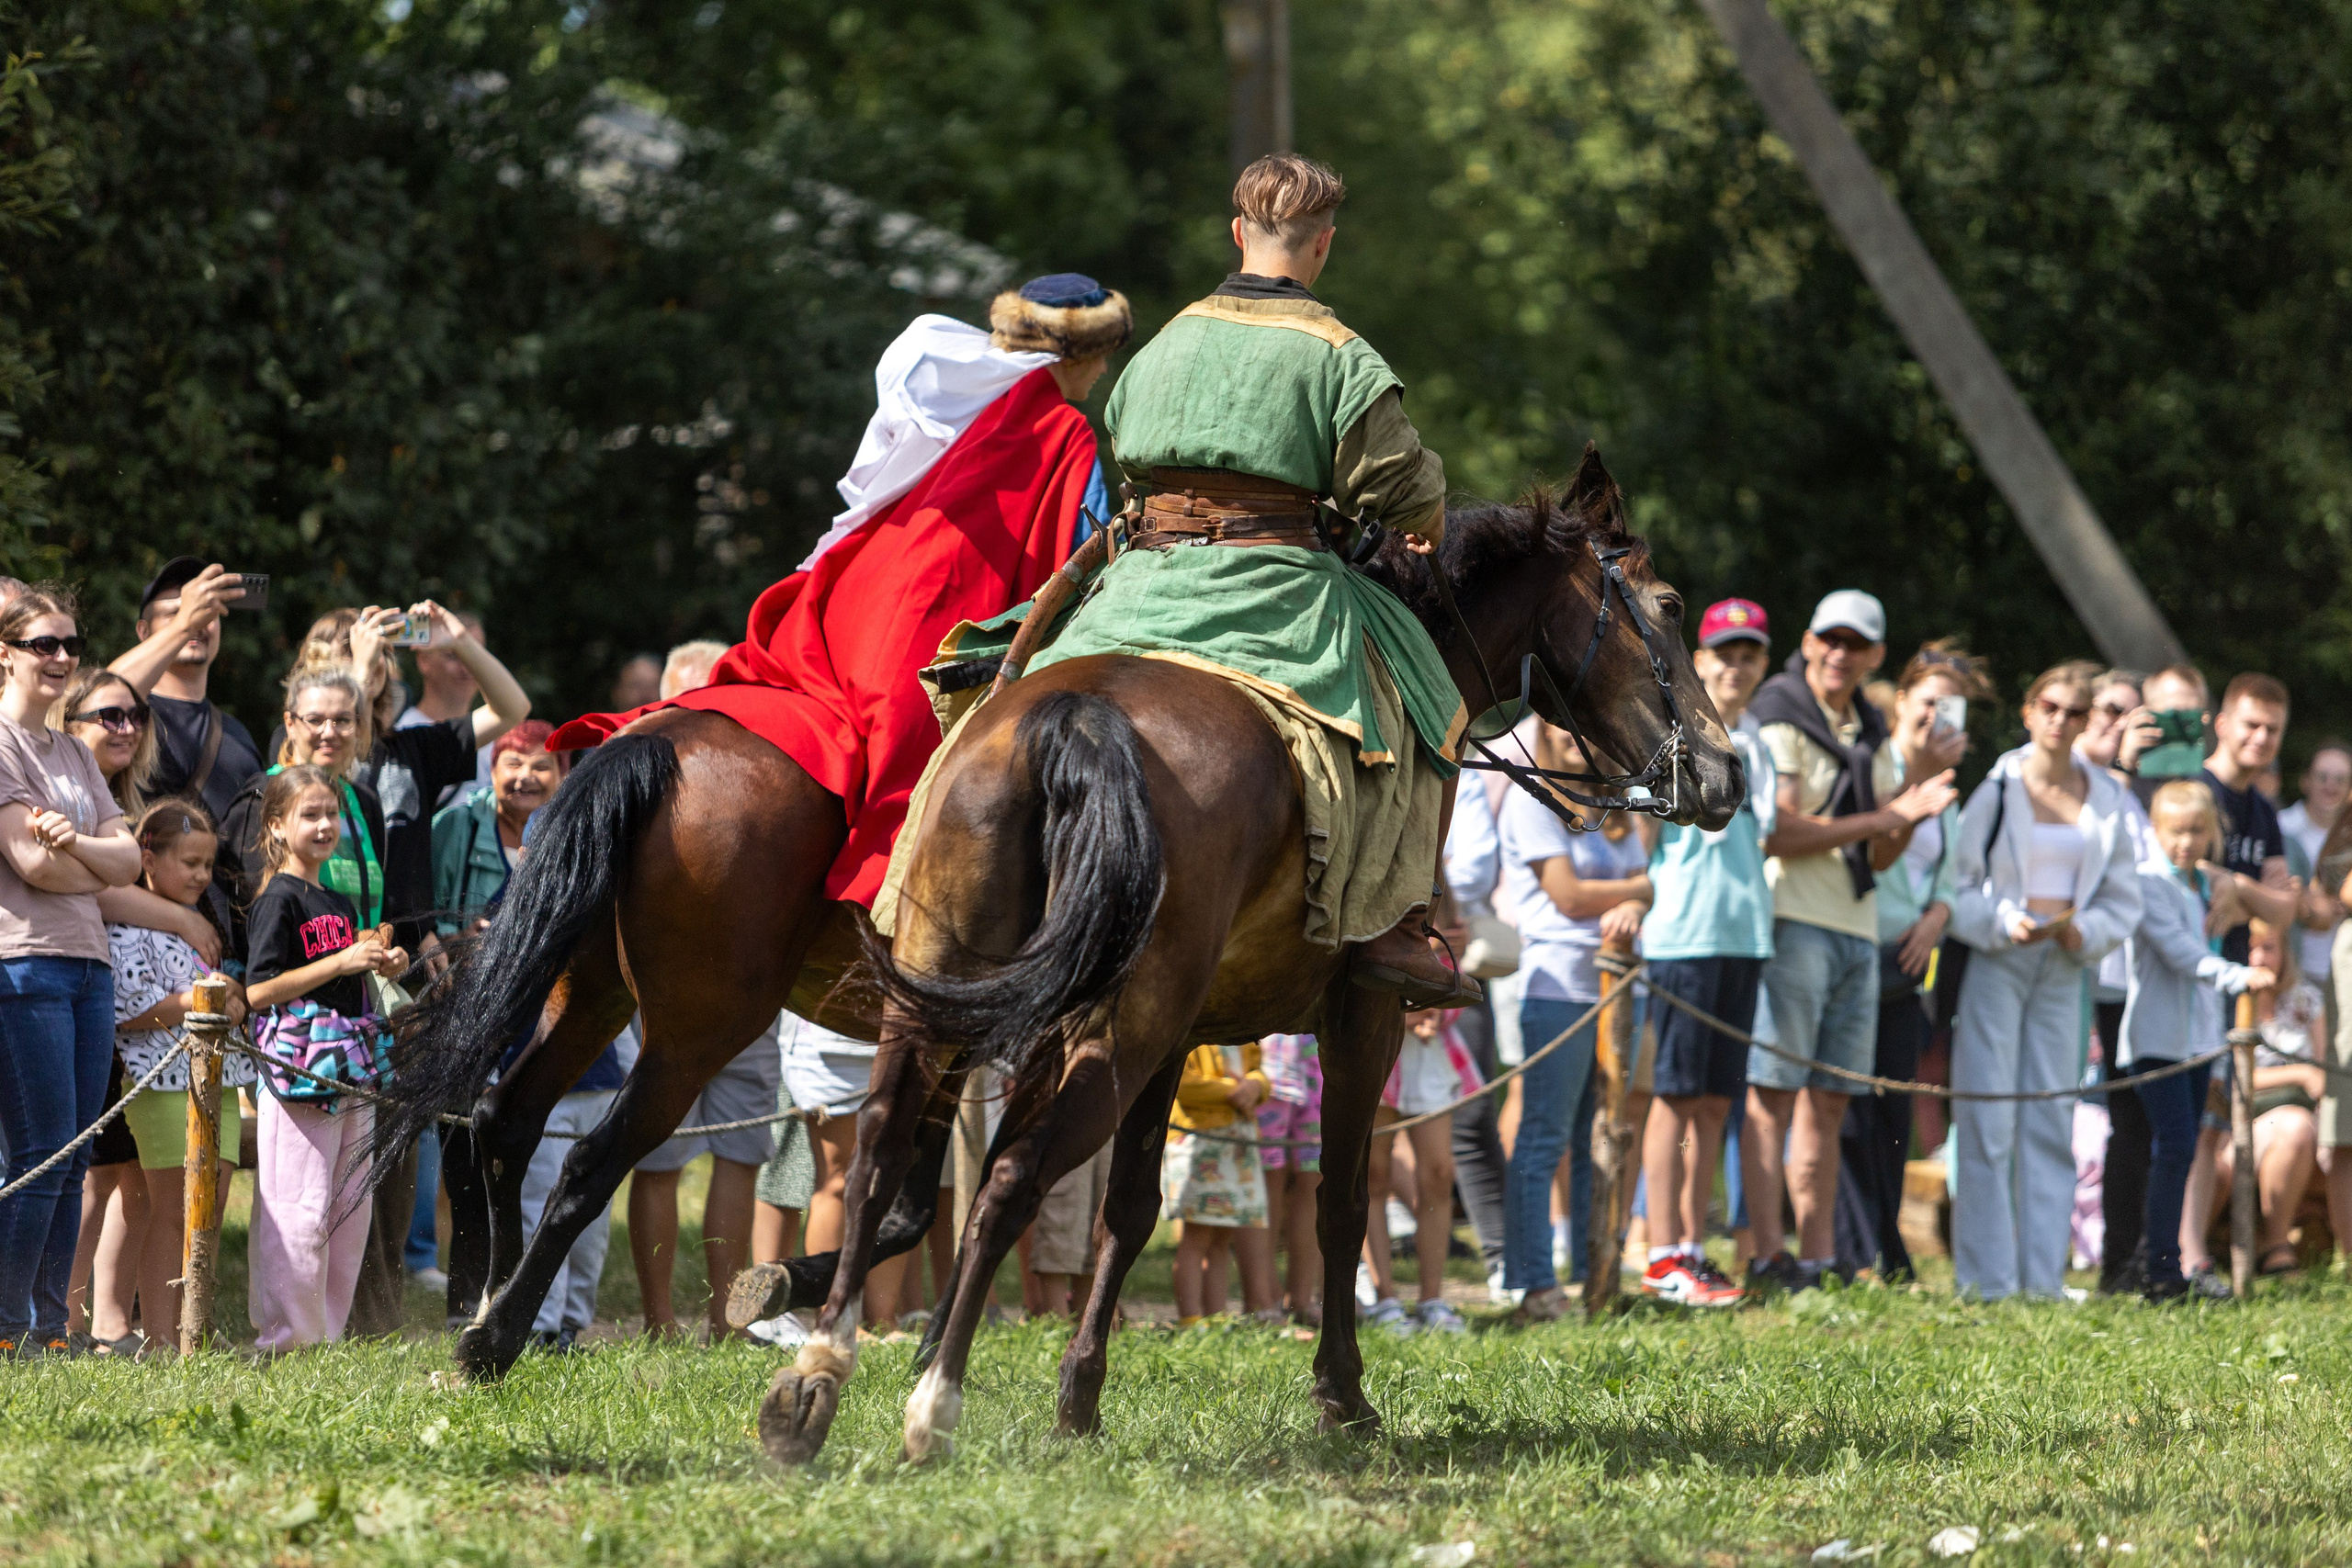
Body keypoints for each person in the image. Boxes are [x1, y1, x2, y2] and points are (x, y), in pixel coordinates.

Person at [1021, 153, 1471, 1006]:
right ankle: (1397, 932)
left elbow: (1123, 438)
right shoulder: (1340, 352)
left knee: (995, 667)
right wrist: (1427, 522)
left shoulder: (1165, 340)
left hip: (1140, 581)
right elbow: (1401, 487)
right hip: (1278, 590)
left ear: (1237, 235)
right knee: (1428, 702)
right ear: (1324, 247)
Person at [1745, 591, 1956, 1291]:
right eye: (1828, 638)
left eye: (1855, 643)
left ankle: (1818, 1255)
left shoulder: (1870, 727)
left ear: (1875, 657)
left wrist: (1913, 803)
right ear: (1807, 641)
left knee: (1831, 1101)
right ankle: (1767, 1254)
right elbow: (1780, 829)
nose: (1839, 652)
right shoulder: (1780, 714)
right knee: (1773, 1095)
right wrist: (1886, 816)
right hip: (1793, 923)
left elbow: (1886, 854)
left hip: (1855, 933)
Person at [1947, 661, 2143, 1301]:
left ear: (2089, 722)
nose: (2061, 721)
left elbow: (2123, 896)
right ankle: (1986, 1282)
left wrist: (2086, 931)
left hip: (2065, 963)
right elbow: (1958, 886)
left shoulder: (2108, 797)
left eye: (2075, 712)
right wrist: (2006, 921)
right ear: (2029, 711)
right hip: (1999, 958)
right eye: (2050, 707)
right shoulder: (1999, 787)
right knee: (1988, 1117)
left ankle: (2041, 1280)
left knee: (2051, 1117)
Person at [0, 586, 142, 1357]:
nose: (60, 658)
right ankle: (6, 1327)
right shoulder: (1, 744)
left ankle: (49, 1330)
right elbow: (28, 862)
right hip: (23, 966)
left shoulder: (75, 751)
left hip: (90, 966)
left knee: (76, 1152)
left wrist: (79, 850)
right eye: (42, 644)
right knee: (40, 1150)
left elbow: (130, 860)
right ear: (4, 652)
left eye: (70, 645)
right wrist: (98, 860)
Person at [626, 645, 783, 1342]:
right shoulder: (638, 767)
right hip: (669, 994)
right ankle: (659, 1320)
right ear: (664, 701)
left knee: (741, 1156)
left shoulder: (766, 764)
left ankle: (729, 1319)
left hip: (753, 996)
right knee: (658, 1154)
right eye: (696, 695)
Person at [1635, 599, 1776, 1306]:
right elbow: (1639, 841)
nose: (1735, 666)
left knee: (1716, 1100)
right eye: (1723, 653)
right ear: (1697, 661)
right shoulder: (1673, 734)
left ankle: (1693, 1247)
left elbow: (1763, 838)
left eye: (1749, 654)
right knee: (1674, 1095)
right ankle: (1662, 1253)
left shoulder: (1764, 746)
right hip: (1683, 934)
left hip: (1744, 935)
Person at [243, 764, 408, 1351]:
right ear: (277, 827)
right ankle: (286, 1339)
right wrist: (339, 963)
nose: (323, 824)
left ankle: (324, 1337)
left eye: (331, 814)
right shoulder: (277, 898)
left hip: (352, 1065)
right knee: (299, 1205)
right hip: (299, 1071)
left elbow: (347, 981)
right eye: (309, 814)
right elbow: (256, 991)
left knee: (346, 1207)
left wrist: (380, 963)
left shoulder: (334, 899)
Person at [1834, 639, 1984, 1280]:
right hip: (1857, 949)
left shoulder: (1947, 786)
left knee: (1896, 1109)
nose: (1936, 717)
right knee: (1850, 1106)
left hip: (1909, 963)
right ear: (1903, 701)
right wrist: (1915, 773)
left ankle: (1890, 1245)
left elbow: (1947, 877)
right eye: (1927, 703)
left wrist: (1936, 917)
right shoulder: (1874, 761)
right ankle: (1851, 1244)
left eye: (1950, 707)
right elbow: (1872, 849)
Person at [1498, 724, 1651, 1321]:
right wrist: (1635, 890)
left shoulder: (1613, 799)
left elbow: (1644, 892)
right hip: (1556, 986)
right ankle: (1534, 1283)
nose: (1571, 732)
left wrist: (1634, 900)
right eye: (1558, 720)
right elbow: (1566, 895)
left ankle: (1596, 1276)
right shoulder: (1531, 796)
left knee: (1601, 1135)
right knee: (1543, 1137)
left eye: (1576, 719)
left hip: (1614, 987)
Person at [105, 798, 254, 1350]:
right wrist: (206, 999)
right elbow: (128, 1011)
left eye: (207, 865)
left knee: (209, 1209)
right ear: (148, 855)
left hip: (219, 1079)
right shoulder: (126, 928)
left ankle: (197, 1327)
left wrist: (230, 1001)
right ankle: (165, 1338)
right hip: (162, 1085)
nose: (201, 876)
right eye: (188, 862)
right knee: (174, 1213)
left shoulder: (197, 928)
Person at [2118, 780, 2263, 1301]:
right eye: (2176, 831)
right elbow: (2181, 953)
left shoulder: (2204, 884)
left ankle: (2161, 1260)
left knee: (2182, 1149)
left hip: (2199, 1040)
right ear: (2156, 831)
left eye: (2197, 831)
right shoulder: (2149, 883)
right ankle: (2159, 1268)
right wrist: (2237, 976)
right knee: (2173, 1145)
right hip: (2156, 1041)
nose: (2185, 841)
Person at [2191, 919, 2324, 1280]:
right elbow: (2233, 1080)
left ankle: (2276, 1244)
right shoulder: (2223, 1003)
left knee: (2295, 1128)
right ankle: (2194, 1255)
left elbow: (2323, 1070)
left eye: (2269, 947)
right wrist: (2298, 1073)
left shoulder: (2305, 999)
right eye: (2251, 947)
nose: (2259, 957)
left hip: (2296, 1117)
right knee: (2218, 1163)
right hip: (2233, 1120)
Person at [107, 559, 264, 829]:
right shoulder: (124, 723)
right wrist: (184, 625)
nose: (197, 623)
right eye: (176, 613)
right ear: (144, 632)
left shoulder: (238, 736)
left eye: (206, 612)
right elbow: (103, 694)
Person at [1361, 1009, 1476, 1335]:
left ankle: (1432, 1299)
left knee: (1439, 1173)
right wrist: (1394, 1016)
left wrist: (1437, 1011)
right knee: (1373, 1174)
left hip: (1427, 1051)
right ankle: (1386, 1301)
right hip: (1374, 1042)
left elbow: (1457, 965)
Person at [1166, 1042, 1272, 1325]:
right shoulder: (1191, 1030)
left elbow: (1258, 1070)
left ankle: (1215, 1318)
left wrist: (1257, 1085)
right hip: (1198, 1141)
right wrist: (1234, 1091)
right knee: (1196, 1235)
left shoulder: (1245, 1032)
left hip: (1237, 1140)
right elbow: (1181, 1082)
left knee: (1222, 1237)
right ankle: (1190, 1318)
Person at [1254, 1032, 1323, 1324]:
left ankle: (1302, 1299)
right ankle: (1265, 1299)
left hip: (1318, 1058)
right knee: (1269, 1181)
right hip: (1267, 1063)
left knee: (1315, 1179)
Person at [395, 608, 495, 808]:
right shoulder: (401, 735)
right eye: (453, 655)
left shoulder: (497, 742)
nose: (467, 669)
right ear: (423, 661)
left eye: (475, 656)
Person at [2281, 742, 2350, 988]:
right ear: (2305, 781)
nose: (2331, 786)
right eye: (2323, 777)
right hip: (2290, 966)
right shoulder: (2281, 827)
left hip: (2342, 968)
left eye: (2341, 779)